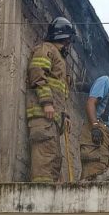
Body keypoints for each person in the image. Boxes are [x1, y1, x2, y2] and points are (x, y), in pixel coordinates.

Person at [26, 16, 75, 184]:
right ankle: (40, 195)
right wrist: (47, 103)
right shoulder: (46, 49)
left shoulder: (60, 58)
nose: (69, 43)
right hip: (42, 117)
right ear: (64, 37)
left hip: (52, 122)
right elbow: (37, 74)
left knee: (54, 160)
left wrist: (65, 115)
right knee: (44, 161)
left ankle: (49, 195)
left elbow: (61, 93)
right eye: (68, 39)